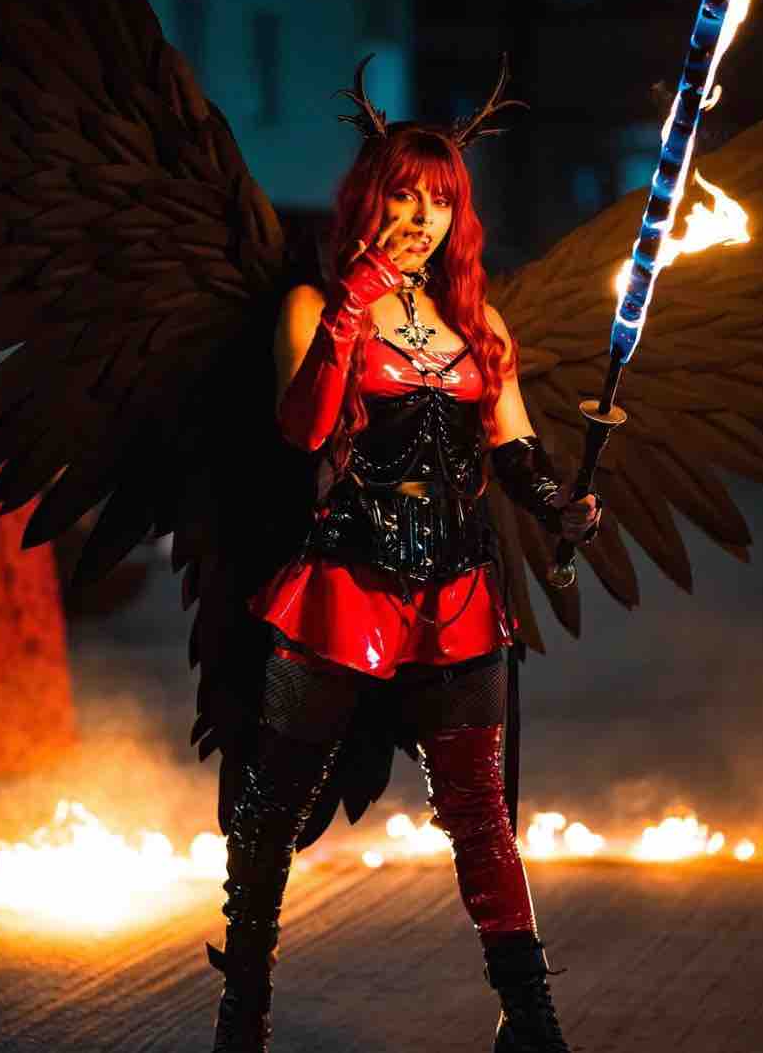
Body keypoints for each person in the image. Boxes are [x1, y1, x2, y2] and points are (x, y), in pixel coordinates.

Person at [208, 116, 600, 1053]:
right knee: (273, 806)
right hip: (344, 588)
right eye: (404, 195)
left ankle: (532, 1021)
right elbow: (302, 429)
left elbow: (515, 449)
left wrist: (560, 506)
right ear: (368, 200)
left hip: (459, 595)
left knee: (481, 816)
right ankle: (244, 1008)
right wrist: (354, 303)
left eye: (441, 199)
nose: (422, 216)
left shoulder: (479, 324)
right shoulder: (313, 304)